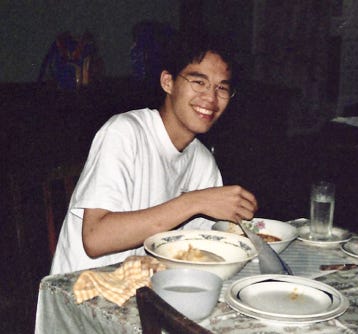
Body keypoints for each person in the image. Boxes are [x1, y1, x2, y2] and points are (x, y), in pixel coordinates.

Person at [50, 32, 258, 274]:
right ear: (167, 82)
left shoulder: (202, 161)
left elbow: (202, 246)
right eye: (199, 82)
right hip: (84, 290)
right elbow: (95, 239)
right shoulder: (125, 133)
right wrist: (195, 201)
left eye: (221, 88)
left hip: (146, 286)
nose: (211, 98)